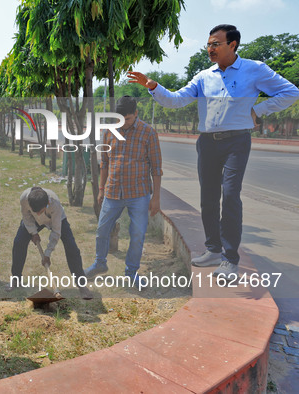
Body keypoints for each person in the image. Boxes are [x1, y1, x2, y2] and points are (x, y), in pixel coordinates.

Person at [128, 24, 299, 280]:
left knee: (230, 196)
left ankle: (230, 259)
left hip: (236, 142)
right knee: (208, 198)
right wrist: (153, 86)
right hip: (207, 142)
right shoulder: (203, 77)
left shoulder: (255, 70)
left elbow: (290, 91)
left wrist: (258, 111)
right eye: (208, 44)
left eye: (216, 44)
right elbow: (176, 100)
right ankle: (213, 250)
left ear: (233, 45)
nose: (210, 49)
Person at [84, 96, 162, 285]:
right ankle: (99, 263)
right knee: (102, 230)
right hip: (113, 192)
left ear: (136, 113)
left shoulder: (148, 133)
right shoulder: (109, 133)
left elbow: (156, 168)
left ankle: (132, 272)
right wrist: (101, 189)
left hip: (139, 194)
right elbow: (105, 164)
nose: (124, 123)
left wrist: (156, 198)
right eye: (120, 119)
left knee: (137, 234)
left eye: (127, 119)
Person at [10, 187, 93, 299]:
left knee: (72, 248)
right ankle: (16, 279)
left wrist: (47, 253)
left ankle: (82, 285)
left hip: (56, 219)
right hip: (32, 221)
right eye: (36, 212)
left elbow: (56, 232)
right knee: (19, 242)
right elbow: (26, 216)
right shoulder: (24, 198)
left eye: (40, 211)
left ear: (47, 203)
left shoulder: (54, 203)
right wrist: (33, 232)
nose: (38, 214)